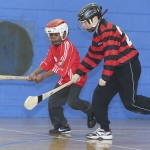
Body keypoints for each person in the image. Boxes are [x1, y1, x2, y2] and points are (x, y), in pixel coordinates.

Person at [71, 3, 150, 140]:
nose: (83, 26)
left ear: (94, 19)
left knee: (130, 103)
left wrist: (105, 77)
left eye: (85, 22)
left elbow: (111, 55)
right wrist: (79, 72)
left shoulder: (108, 30)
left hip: (128, 66)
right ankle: (104, 130)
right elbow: (93, 55)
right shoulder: (98, 33)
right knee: (99, 97)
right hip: (115, 68)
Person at [28, 18, 96, 135]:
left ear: (64, 33)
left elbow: (59, 68)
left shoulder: (67, 46)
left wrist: (43, 77)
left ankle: (90, 110)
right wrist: (35, 73)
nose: (52, 38)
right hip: (64, 79)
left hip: (76, 78)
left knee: (73, 102)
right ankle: (62, 126)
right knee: (53, 103)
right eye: (50, 35)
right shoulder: (53, 47)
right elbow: (47, 62)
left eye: (55, 35)